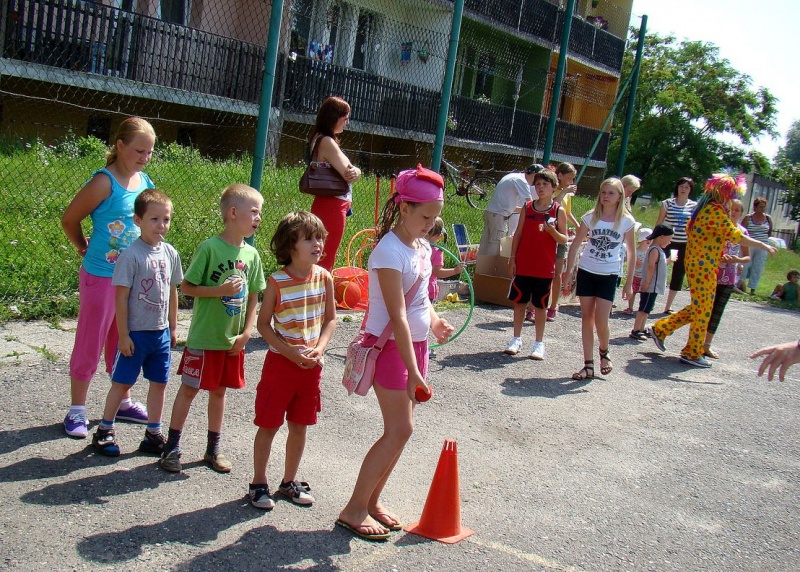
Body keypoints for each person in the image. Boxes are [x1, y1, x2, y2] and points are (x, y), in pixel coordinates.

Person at [337, 165, 454, 541]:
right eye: (425, 216)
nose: (431, 224)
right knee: (399, 429)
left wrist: (435, 323)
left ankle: (372, 502)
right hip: (392, 350)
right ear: (404, 209)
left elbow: (419, 298)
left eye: (435, 216)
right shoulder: (388, 251)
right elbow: (397, 315)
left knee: (402, 431)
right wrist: (414, 369)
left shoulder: (420, 246)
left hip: (416, 347)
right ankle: (354, 509)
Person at [159, 184, 266, 473]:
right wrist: (219, 290)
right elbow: (188, 287)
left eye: (260, 213)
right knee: (189, 390)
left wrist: (246, 333)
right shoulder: (209, 248)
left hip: (231, 341)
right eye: (254, 212)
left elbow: (254, 296)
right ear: (233, 213)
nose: (259, 218)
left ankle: (212, 450)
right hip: (204, 338)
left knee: (219, 393)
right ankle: (172, 448)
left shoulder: (252, 256)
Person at [61, 117, 157, 438]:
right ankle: (77, 409)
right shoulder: (104, 182)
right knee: (91, 340)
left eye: (149, 152)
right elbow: (70, 218)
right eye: (139, 150)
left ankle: (124, 401)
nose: (145, 157)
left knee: (123, 342)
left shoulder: (143, 181)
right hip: (100, 277)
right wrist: (81, 247)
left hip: (130, 280)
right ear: (119, 146)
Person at [249, 212, 336, 510]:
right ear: (290, 244)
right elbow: (263, 326)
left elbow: (331, 320)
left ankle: (288, 481)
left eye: (320, 237)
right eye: (309, 238)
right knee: (269, 425)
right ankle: (258, 482)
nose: (318, 243)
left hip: (310, 368)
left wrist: (320, 349)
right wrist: (288, 352)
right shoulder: (276, 282)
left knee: (300, 425)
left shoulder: (324, 277)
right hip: (281, 367)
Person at [649, 174, 776, 368]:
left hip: (702, 264)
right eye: (731, 194)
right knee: (704, 309)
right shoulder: (714, 212)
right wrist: (763, 245)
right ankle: (691, 352)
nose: (732, 198)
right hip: (702, 266)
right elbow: (736, 236)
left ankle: (662, 329)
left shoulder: (706, 209)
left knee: (702, 307)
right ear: (724, 193)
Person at [91, 189, 183, 456]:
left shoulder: (169, 252)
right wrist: (123, 335)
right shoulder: (131, 255)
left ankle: (153, 433)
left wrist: (173, 326)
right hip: (135, 334)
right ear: (138, 220)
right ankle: (105, 430)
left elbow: (172, 290)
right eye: (154, 219)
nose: (161, 225)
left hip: (160, 333)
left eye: (165, 219)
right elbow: (121, 298)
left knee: (160, 382)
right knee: (122, 382)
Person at [564, 177, 637, 379]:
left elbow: (632, 253)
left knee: (601, 320)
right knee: (586, 318)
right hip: (587, 270)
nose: (606, 196)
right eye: (603, 192)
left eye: (611, 193)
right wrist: (569, 272)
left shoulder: (626, 221)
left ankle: (605, 352)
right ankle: (588, 365)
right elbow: (576, 244)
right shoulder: (590, 218)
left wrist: (629, 282)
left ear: (620, 196)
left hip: (609, 274)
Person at [505, 169, 568, 360]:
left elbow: (564, 239)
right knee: (520, 303)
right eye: (538, 184)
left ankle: (539, 343)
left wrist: (552, 232)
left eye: (545, 185)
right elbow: (518, 234)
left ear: (554, 188)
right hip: (524, 264)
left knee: (540, 306)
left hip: (544, 267)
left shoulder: (558, 210)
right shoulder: (528, 207)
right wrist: (512, 258)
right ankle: (516, 339)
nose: (540, 188)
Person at [307, 96, 361, 271]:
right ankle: (322, 295)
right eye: (345, 118)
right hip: (333, 205)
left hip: (327, 203)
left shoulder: (318, 137)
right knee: (326, 257)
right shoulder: (327, 142)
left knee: (319, 254)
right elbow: (349, 173)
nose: (347, 122)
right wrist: (358, 171)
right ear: (333, 117)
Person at [703, 199, 750, 359]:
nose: (734, 212)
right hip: (712, 274)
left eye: (737, 210)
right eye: (731, 209)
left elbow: (747, 257)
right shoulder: (719, 227)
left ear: (741, 213)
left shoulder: (742, 232)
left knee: (717, 312)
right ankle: (695, 342)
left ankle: (707, 345)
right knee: (704, 310)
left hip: (729, 277)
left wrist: (736, 260)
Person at [477, 163, 541, 257]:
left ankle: (480, 269)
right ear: (534, 175)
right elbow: (530, 204)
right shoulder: (522, 181)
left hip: (491, 213)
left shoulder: (513, 176)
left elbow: (512, 207)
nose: (537, 184)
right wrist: (540, 213)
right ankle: (490, 270)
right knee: (496, 245)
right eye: (538, 180)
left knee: (485, 244)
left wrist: (524, 212)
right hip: (499, 216)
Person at [655, 177, 698, 314]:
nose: (683, 189)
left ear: (690, 190)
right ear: (677, 188)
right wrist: (655, 240)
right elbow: (660, 222)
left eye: (687, 187)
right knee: (659, 268)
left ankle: (668, 306)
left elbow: (695, 227)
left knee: (678, 274)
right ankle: (650, 299)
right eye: (681, 186)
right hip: (667, 242)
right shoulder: (667, 203)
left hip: (684, 244)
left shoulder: (694, 206)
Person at [548, 163, 581, 322]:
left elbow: (566, 212)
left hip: (561, 235)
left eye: (572, 178)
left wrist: (578, 226)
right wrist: (564, 192)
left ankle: (553, 305)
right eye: (569, 178)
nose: (571, 181)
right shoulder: (552, 188)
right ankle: (534, 306)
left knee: (557, 272)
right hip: (548, 234)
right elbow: (553, 205)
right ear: (559, 176)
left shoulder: (567, 193)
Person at [629, 225, 673, 340]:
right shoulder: (654, 250)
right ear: (661, 237)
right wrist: (646, 283)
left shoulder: (658, 250)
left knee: (648, 308)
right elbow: (650, 267)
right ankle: (636, 330)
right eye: (669, 239)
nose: (670, 242)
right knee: (643, 308)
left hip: (654, 286)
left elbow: (659, 265)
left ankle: (642, 328)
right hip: (650, 285)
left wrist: (670, 260)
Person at [739, 197, 773, 294]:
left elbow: (769, 231)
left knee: (758, 266)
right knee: (745, 264)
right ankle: (740, 284)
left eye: (764, 207)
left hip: (763, 245)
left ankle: (753, 288)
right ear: (755, 207)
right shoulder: (748, 218)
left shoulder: (768, 218)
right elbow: (742, 231)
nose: (762, 209)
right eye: (760, 207)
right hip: (750, 244)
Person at [426, 217, 464, 302]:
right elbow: (437, 272)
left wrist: (455, 271)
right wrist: (454, 271)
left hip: (425, 290)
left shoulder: (435, 251)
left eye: (427, 234)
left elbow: (437, 272)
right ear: (440, 236)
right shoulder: (435, 251)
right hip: (423, 289)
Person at [624, 226, 653, 315]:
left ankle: (642, 308)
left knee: (644, 293)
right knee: (633, 292)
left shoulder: (650, 251)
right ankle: (630, 307)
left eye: (650, 239)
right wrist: (634, 262)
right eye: (646, 239)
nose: (649, 241)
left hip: (645, 277)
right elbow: (629, 260)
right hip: (636, 275)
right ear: (641, 240)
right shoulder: (636, 251)